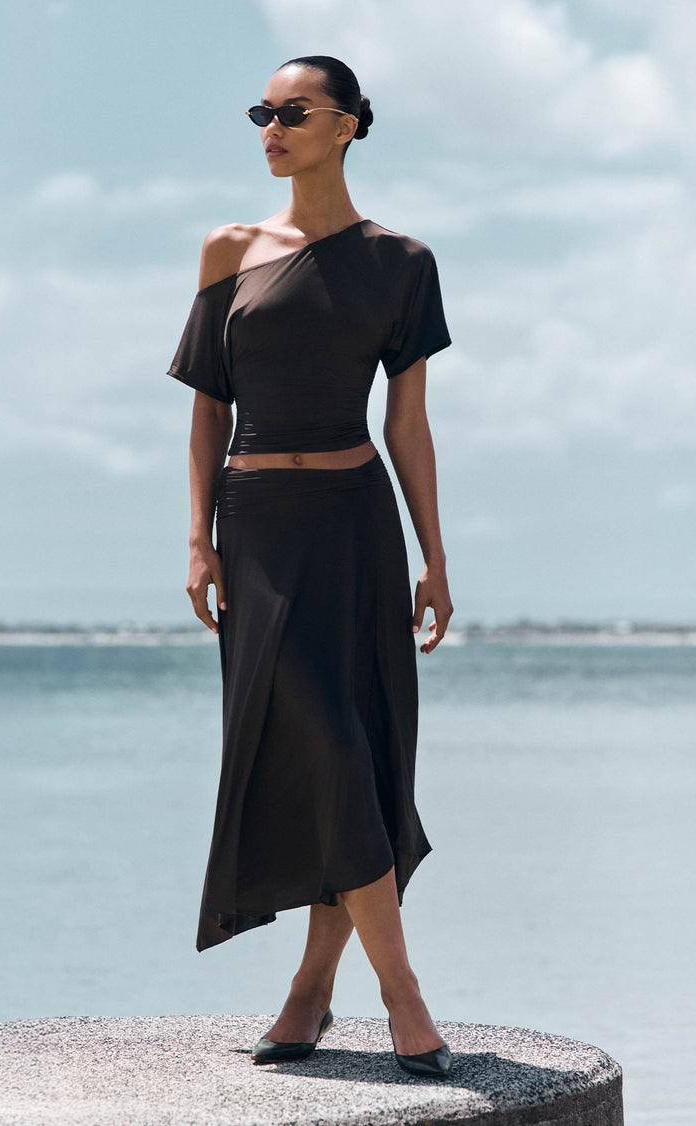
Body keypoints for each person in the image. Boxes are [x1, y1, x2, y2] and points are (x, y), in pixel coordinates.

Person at [168, 55, 454, 1079]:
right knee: (328, 749)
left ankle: (309, 992)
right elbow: (208, 408)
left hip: (356, 529)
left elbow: (408, 424)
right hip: (257, 528)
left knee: (358, 759)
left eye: (292, 112)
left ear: (346, 126)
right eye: (262, 112)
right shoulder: (229, 250)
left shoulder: (402, 264)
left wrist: (434, 557)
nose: (271, 128)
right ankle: (402, 994)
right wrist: (198, 536)